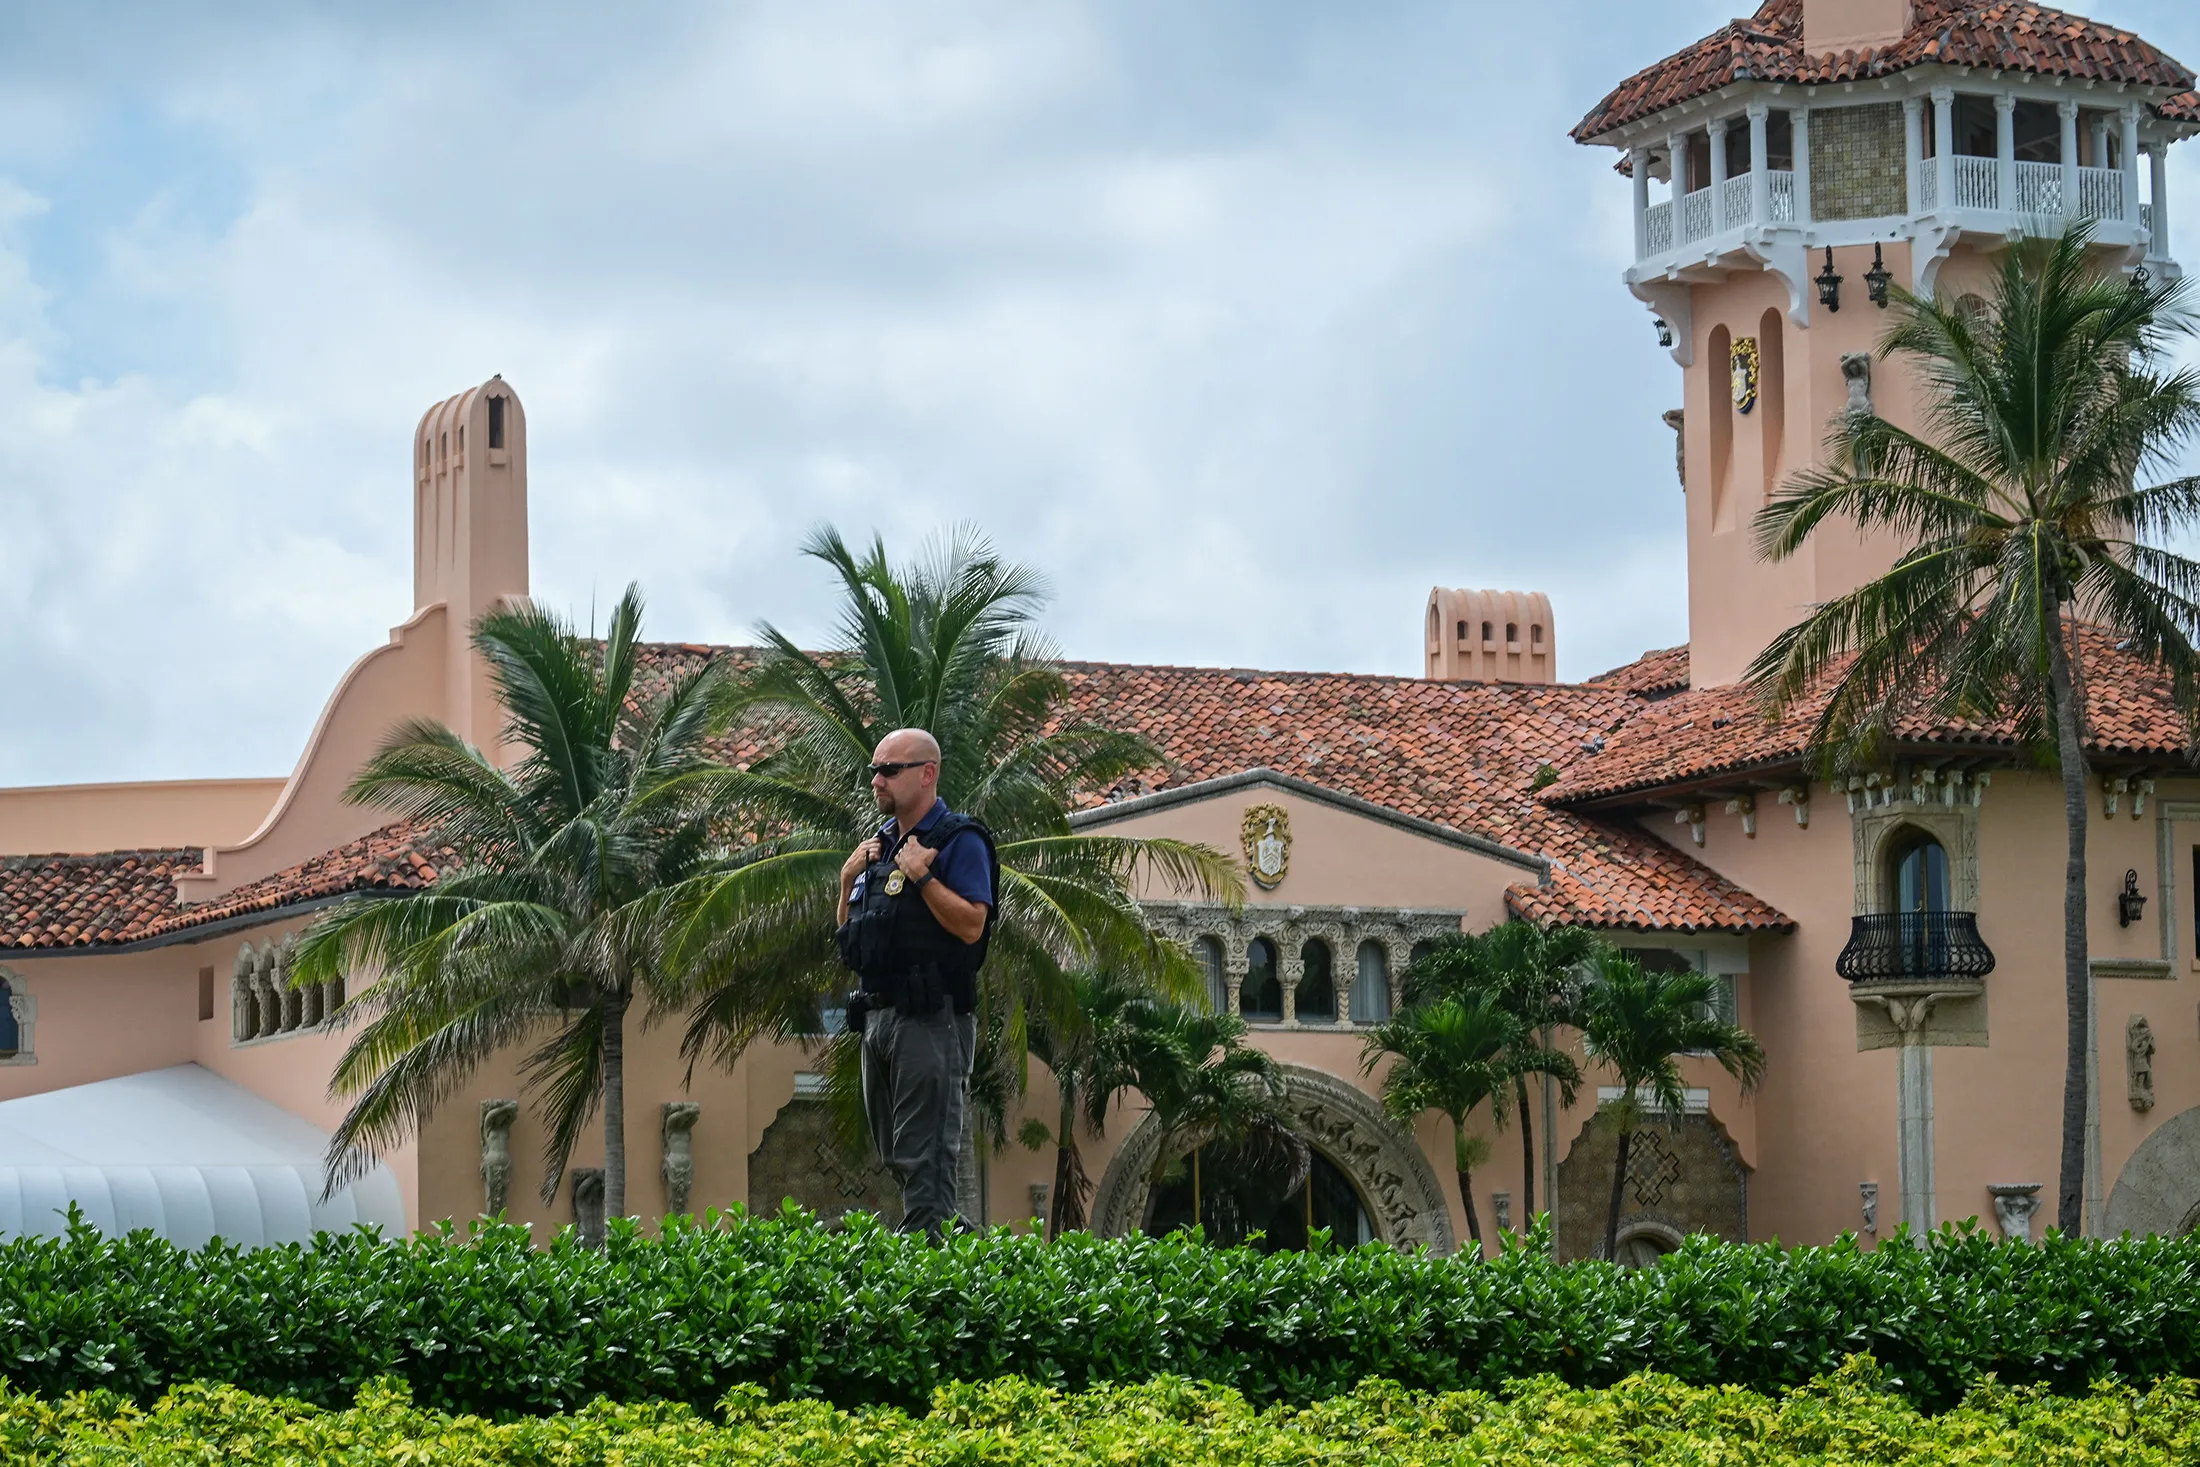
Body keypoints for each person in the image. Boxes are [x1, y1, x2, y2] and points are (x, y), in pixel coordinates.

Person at [836, 728, 997, 1238]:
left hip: (930, 1019)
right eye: (875, 771)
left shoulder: (958, 840)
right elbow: (849, 940)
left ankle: (932, 1283)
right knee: (899, 1155)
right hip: (878, 1020)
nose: (877, 781)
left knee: (924, 1159)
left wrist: (924, 879)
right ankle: (958, 1253)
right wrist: (846, 883)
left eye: (890, 770)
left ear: (927, 774)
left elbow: (973, 924)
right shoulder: (877, 847)